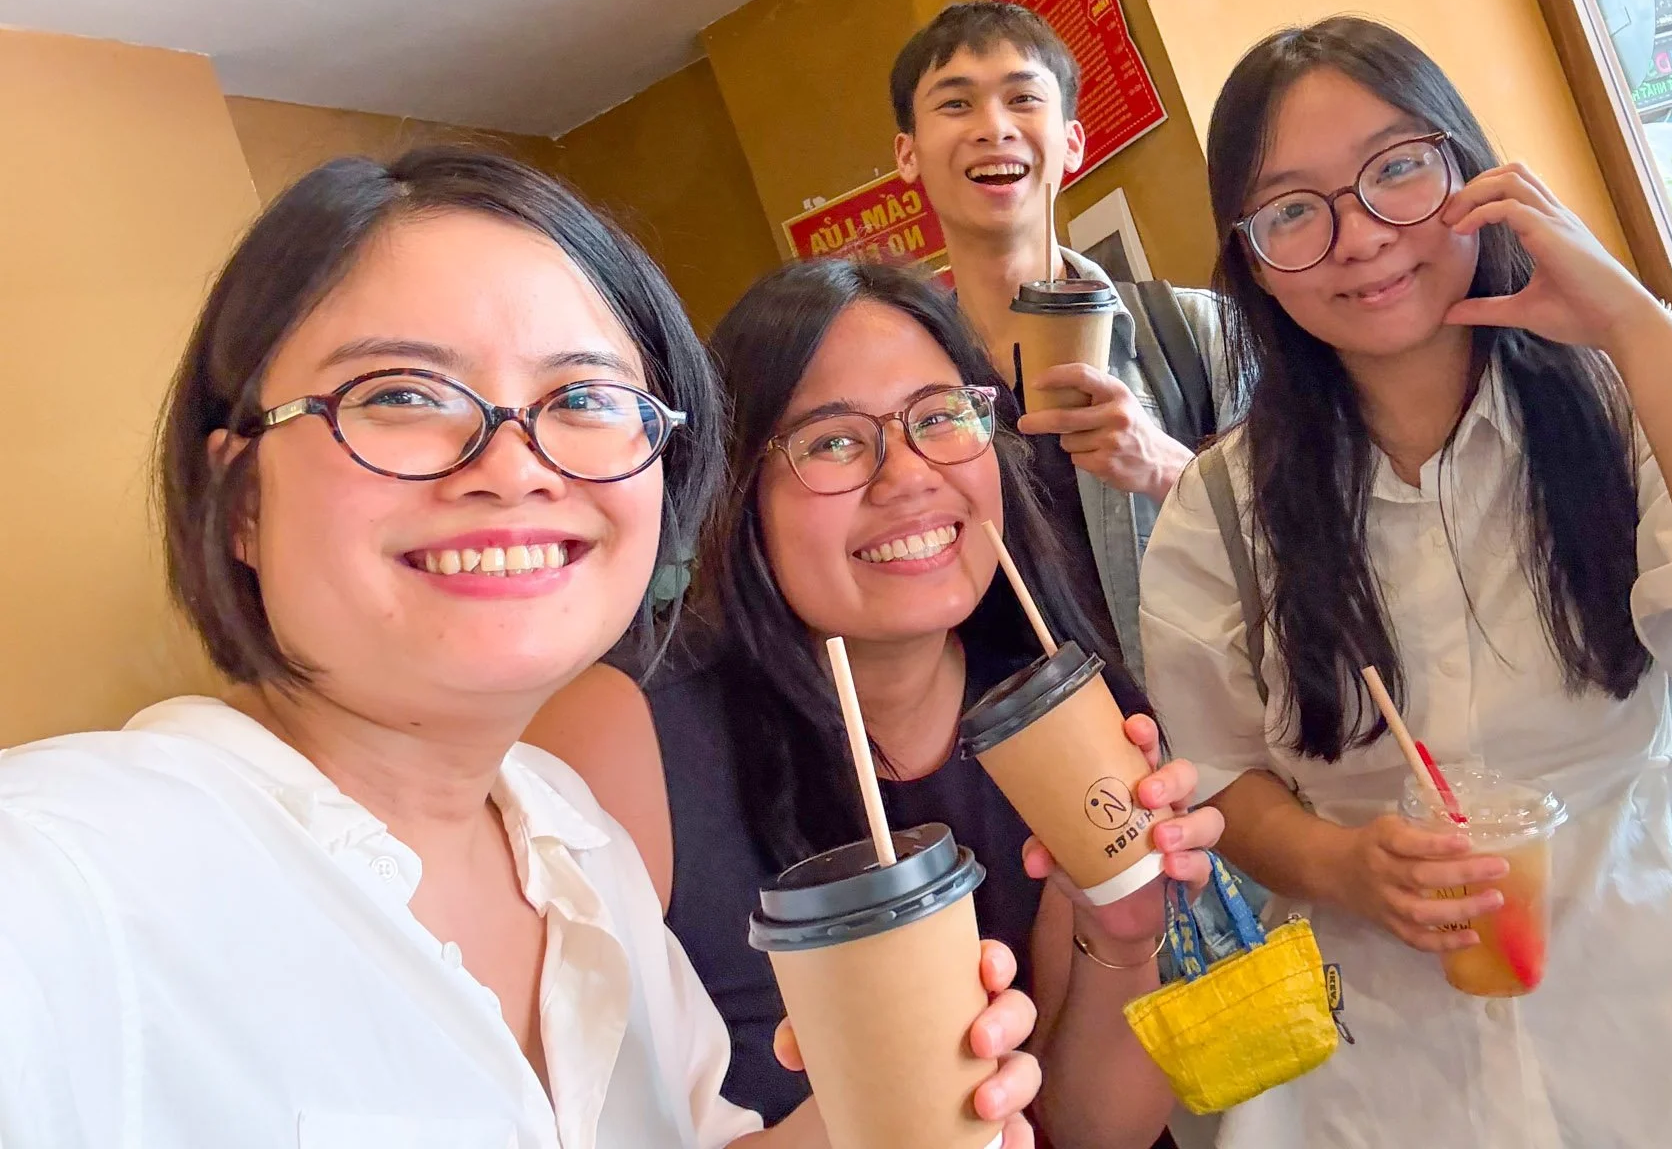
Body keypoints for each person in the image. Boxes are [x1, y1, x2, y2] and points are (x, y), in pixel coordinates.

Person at [0, 150, 1040, 1148]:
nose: (512, 465)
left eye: (583, 399)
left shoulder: (576, 844)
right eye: (401, 394)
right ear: (240, 499)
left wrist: (865, 1123)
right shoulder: (65, 881)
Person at [1137, 19, 1672, 1148]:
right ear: (1252, 259)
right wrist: (1340, 866)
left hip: (1661, 1011)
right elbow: (1220, 776)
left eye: (1397, 168)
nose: (1360, 236)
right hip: (1386, 1066)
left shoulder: (1619, 412)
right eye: (1293, 210)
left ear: (1477, 173)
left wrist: (1636, 329)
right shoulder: (1221, 506)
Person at [529, 258, 1224, 1149]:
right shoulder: (624, 737)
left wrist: (1123, 932)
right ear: (738, 493)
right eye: (832, 442)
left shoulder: (1061, 708)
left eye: (940, 418)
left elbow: (1094, 1133)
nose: (909, 475)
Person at [888, 0, 1232, 684]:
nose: (993, 127)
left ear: (1072, 142)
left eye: (1023, 99)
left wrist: (1168, 469)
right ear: (908, 154)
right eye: (955, 105)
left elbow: (1311, 548)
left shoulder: (1196, 334)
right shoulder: (901, 387)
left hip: (1219, 733)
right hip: (1017, 740)